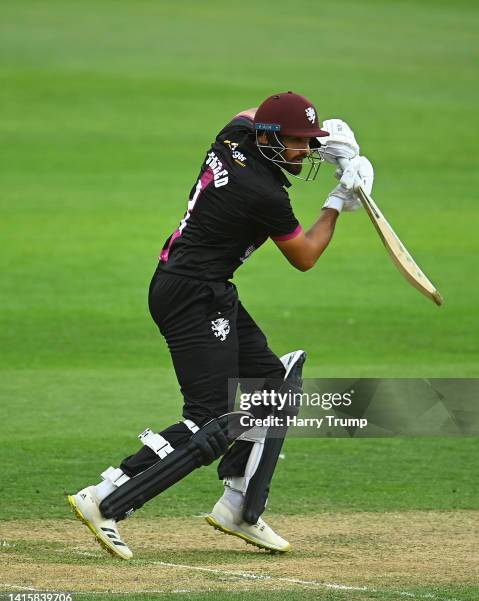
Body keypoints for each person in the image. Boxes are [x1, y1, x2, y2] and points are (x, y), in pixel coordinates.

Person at [68, 91, 374, 560]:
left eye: (310, 143)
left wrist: (325, 136)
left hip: (203, 287)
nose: (305, 153)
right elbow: (306, 257)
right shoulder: (264, 194)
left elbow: (249, 113)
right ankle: (105, 498)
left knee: (271, 384)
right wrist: (338, 198)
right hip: (191, 294)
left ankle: (239, 508)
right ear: (269, 140)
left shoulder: (234, 137)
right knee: (207, 419)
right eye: (298, 143)